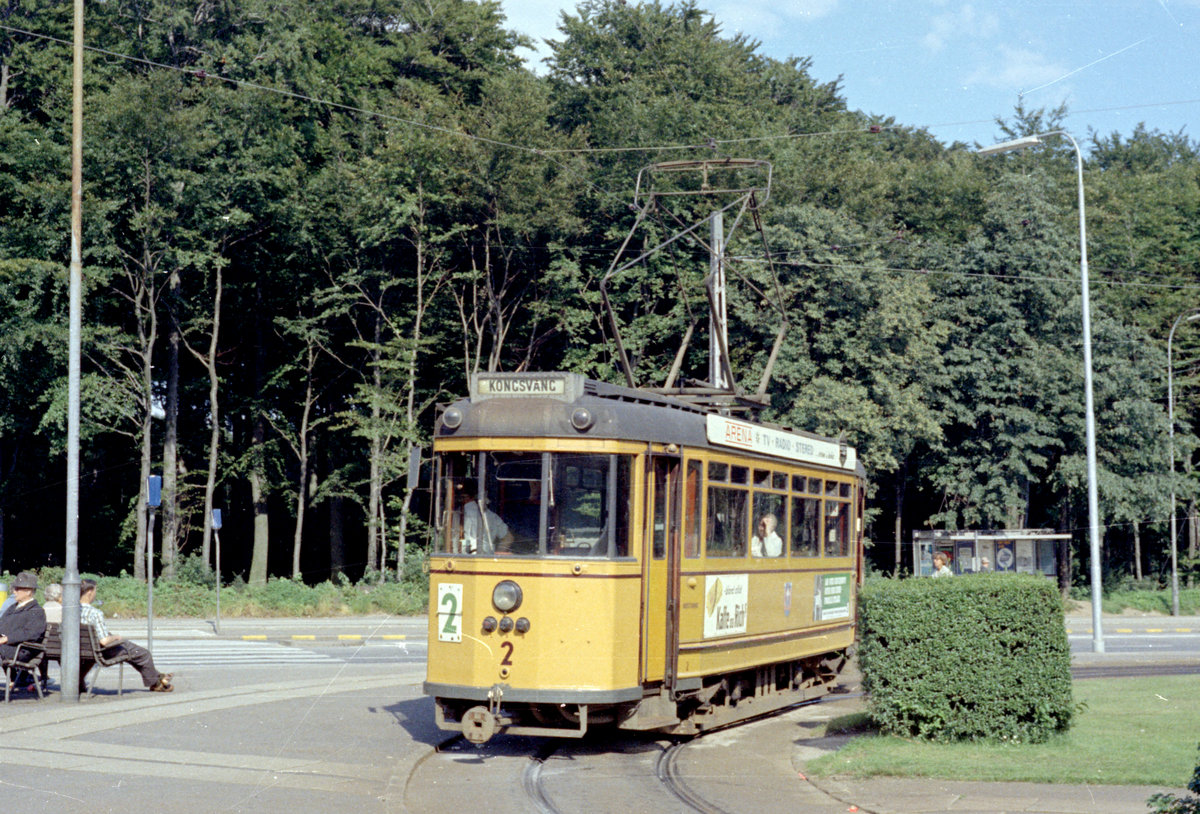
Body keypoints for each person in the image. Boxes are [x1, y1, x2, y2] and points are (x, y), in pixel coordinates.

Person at [80, 578, 173, 693]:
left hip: (83, 648)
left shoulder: (71, 611)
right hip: (101, 650)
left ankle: (158, 679)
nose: (95, 594)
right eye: (95, 591)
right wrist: (116, 637)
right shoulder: (95, 613)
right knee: (144, 654)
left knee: (134, 652)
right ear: (89, 592)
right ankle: (157, 682)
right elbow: (104, 641)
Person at [0, 571, 47, 692]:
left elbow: (32, 634)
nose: (14, 591)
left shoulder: (36, 611)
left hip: (20, 649)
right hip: (7, 647)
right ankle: (19, 680)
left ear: (28, 591)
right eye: (14, 588)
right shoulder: (13, 607)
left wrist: (7, 638)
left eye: (17, 589)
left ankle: (19, 680)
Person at [458, 481, 513, 555]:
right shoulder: (491, 516)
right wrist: (496, 556)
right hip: (486, 559)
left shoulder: (456, 514)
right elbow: (508, 538)